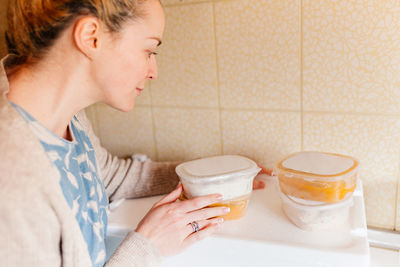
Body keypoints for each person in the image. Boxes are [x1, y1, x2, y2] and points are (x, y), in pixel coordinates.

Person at [0, 0, 268, 266]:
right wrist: (146, 246)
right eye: (149, 51)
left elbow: (110, 177)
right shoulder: (12, 178)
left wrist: (208, 178)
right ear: (90, 37)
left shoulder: (66, 115)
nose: (154, 72)